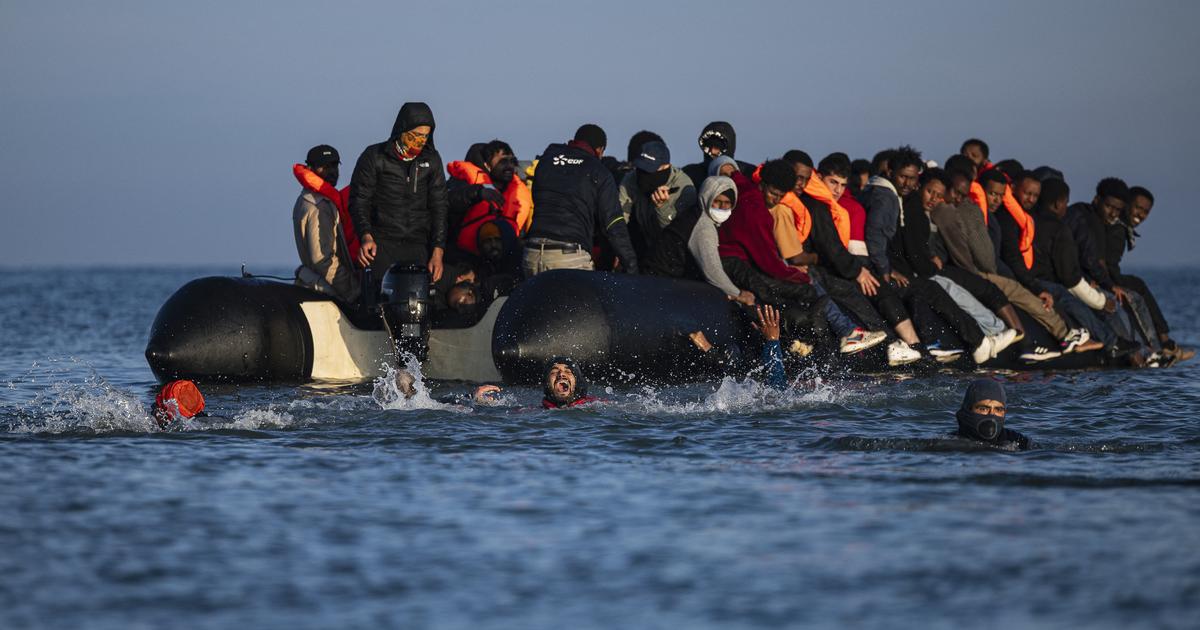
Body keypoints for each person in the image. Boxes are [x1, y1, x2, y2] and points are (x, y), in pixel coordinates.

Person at [930, 169, 1094, 361]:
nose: (996, 200)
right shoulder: (959, 211)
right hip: (973, 272)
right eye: (992, 194)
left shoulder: (991, 216)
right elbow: (984, 256)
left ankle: (1061, 336)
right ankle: (1046, 340)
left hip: (984, 271)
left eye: (1000, 195)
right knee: (1015, 291)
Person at [350, 102, 449, 291]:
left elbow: (440, 207)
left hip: (419, 245)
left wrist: (438, 251)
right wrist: (365, 236)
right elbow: (359, 200)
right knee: (379, 299)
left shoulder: (432, 160)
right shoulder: (375, 156)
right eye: (415, 135)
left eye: (425, 136)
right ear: (402, 130)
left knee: (420, 301)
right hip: (381, 243)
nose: (420, 141)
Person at [522, 124, 639, 276]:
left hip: (531, 253)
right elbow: (613, 224)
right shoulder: (598, 171)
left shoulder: (547, 159)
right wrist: (632, 269)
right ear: (600, 150)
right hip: (568, 258)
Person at [1105, 186, 1193, 360]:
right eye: (1138, 208)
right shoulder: (1117, 229)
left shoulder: (1119, 227)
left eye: (1146, 212)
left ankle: (1164, 343)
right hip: (1105, 277)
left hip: (1107, 275)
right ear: (1126, 205)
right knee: (1137, 288)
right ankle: (1163, 344)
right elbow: (1108, 264)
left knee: (1137, 285)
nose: (1141, 214)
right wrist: (1112, 285)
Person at [292, 144, 361, 303]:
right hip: (325, 290)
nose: (332, 171)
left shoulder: (307, 200)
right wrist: (354, 292)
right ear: (310, 168)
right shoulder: (318, 206)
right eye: (324, 167)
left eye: (334, 165)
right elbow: (323, 259)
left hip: (316, 283)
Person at [446, 139, 532, 257]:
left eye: (513, 162)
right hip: (465, 257)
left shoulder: (519, 191)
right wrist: (478, 193)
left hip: (504, 257)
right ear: (487, 165)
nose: (509, 166)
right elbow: (448, 201)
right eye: (503, 162)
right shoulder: (465, 181)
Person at [619, 140, 696, 260]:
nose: (643, 175)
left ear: (666, 167)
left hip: (674, 254)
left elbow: (678, 236)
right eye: (640, 168)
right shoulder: (632, 179)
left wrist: (662, 208)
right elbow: (620, 217)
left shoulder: (683, 189)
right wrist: (619, 249)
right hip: (643, 243)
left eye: (649, 169)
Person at [953, 378, 1029, 450]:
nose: (992, 414)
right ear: (968, 410)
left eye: (998, 409)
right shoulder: (952, 445)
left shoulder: (1020, 442)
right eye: (983, 409)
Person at [681, 121, 755, 186]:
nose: (713, 151)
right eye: (708, 147)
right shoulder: (689, 175)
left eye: (718, 147)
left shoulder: (750, 174)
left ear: (730, 147)